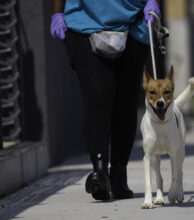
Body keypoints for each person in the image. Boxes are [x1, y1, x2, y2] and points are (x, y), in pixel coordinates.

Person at [50, 0, 161, 201]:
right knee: (98, 94)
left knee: (125, 101)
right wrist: (56, 14)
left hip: (134, 23)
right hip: (83, 22)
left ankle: (118, 175)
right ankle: (99, 172)